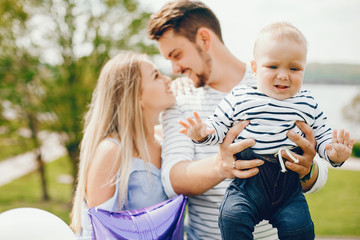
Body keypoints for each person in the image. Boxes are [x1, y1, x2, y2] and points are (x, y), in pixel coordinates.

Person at [148, 1, 330, 239]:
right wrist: (220, 166)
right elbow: (173, 179)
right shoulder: (179, 98)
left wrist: (307, 170)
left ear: (204, 39)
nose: (175, 68)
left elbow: (320, 172)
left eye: (177, 55)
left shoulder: (275, 80)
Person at [179, 22, 354, 239]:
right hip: (247, 186)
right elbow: (218, 126)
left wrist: (334, 153)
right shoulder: (240, 96)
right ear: (254, 69)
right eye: (273, 67)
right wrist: (202, 133)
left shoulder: (307, 102)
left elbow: (322, 136)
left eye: (294, 68)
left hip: (288, 188)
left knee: (300, 228)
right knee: (232, 217)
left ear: (304, 70)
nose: (283, 75)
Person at [70, 51, 176, 239]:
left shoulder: (165, 140)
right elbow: (97, 232)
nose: (168, 79)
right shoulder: (112, 151)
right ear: (136, 97)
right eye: (156, 76)